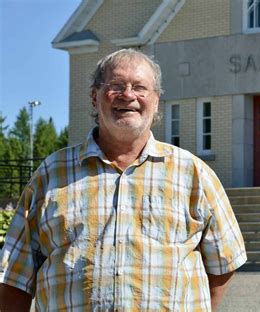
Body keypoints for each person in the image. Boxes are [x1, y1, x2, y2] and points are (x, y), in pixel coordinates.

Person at [0, 48, 247, 311]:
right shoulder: (51, 174)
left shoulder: (194, 173)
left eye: (140, 87)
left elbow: (223, 264)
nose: (128, 95)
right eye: (116, 85)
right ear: (95, 98)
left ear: (156, 101)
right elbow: (15, 277)